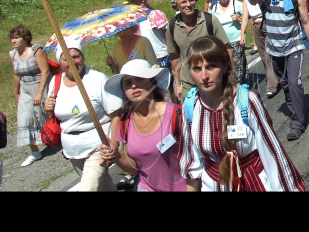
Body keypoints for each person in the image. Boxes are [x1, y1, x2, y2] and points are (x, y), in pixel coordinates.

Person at [179, 36, 305, 191]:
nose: (204, 76)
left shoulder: (247, 102)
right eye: (197, 69)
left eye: (211, 66)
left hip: (253, 183)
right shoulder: (191, 106)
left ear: (225, 66)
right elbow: (192, 165)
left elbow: (273, 154)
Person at [236, 0, 309, 141]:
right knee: (286, 83)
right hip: (275, 49)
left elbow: (305, 21)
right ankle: (295, 108)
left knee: (294, 83)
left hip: (294, 46)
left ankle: (297, 123)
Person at [44, 38, 123, 192]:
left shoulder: (97, 79)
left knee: (88, 188)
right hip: (72, 150)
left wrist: (113, 143)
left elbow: (116, 114)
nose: (72, 62)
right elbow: (56, 115)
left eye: (76, 57)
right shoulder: (56, 81)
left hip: (97, 146)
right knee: (104, 187)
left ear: (83, 57)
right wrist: (48, 107)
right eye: (66, 59)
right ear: (60, 62)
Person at [99, 59, 186, 192]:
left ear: (153, 82)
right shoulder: (125, 122)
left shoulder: (176, 114)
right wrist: (115, 154)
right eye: (127, 83)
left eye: (139, 79)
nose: (134, 86)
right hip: (147, 187)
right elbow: (135, 167)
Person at [166, 0, 231, 103]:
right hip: (188, 86)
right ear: (176, 6)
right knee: (193, 119)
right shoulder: (172, 26)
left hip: (212, 81)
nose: (188, 5)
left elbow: (227, 48)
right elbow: (174, 56)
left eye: (191, 0)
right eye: (183, 2)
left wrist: (229, 76)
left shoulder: (209, 20)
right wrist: (178, 84)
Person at [9, 25, 50, 167]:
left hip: (40, 84)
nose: (13, 40)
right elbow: (16, 73)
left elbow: (45, 71)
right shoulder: (13, 54)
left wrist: (40, 91)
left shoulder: (36, 50)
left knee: (45, 115)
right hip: (25, 88)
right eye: (12, 38)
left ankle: (57, 139)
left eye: (17, 37)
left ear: (25, 38)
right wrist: (16, 91)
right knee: (24, 118)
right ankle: (35, 152)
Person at [124, 0, 172, 94]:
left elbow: (167, 35)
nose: (142, 0)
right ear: (133, 1)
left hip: (161, 56)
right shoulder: (131, 20)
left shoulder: (155, 14)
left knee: (170, 86)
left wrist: (172, 52)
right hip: (143, 59)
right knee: (152, 90)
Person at [240, 0, 277, 98]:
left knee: (268, 56)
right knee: (263, 56)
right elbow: (245, 18)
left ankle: (271, 85)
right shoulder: (246, 1)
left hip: (269, 25)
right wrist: (242, 34)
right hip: (257, 28)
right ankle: (275, 77)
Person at [211, 0, 247, 86]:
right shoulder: (215, 8)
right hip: (223, 42)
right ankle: (232, 84)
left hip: (236, 39)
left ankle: (239, 85)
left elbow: (246, 18)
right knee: (228, 64)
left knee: (238, 64)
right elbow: (212, 24)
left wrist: (238, 18)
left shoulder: (236, 4)